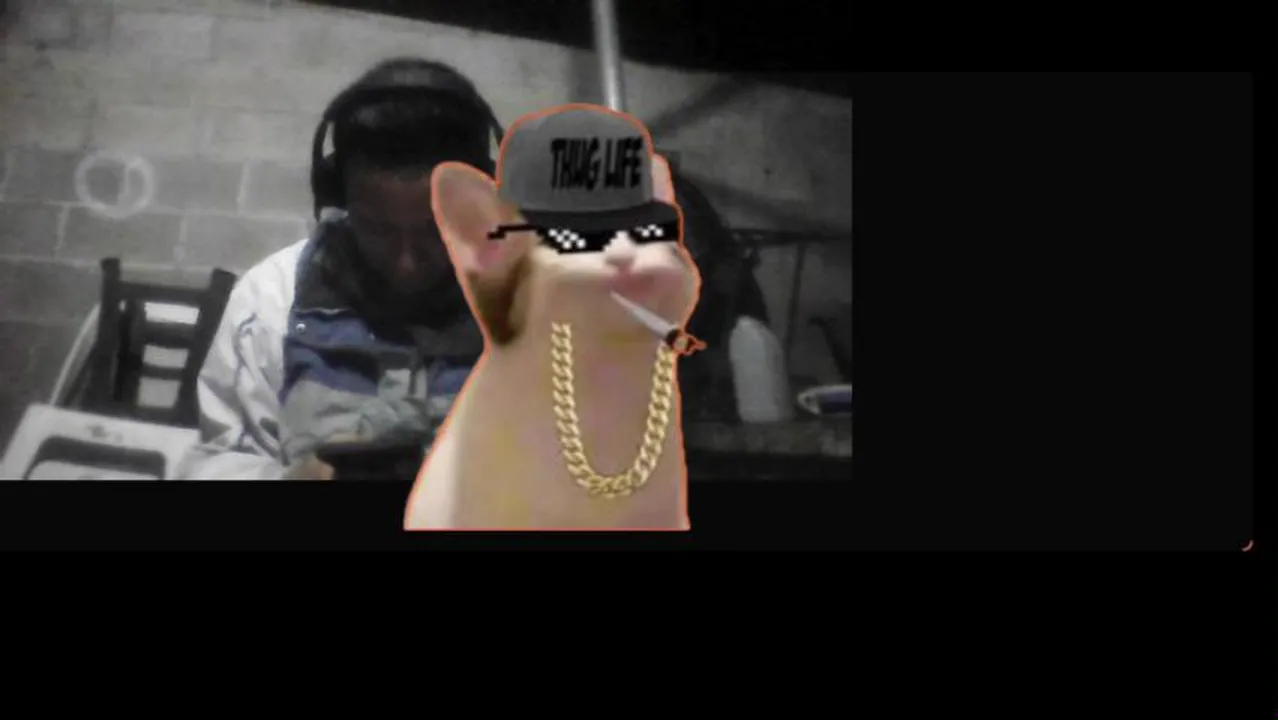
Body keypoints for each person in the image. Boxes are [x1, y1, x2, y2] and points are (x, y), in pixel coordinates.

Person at [174, 57, 501, 480]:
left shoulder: (533, 307)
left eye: (436, 231)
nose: (407, 264)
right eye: (378, 230)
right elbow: (209, 463)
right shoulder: (269, 303)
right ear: (337, 197)